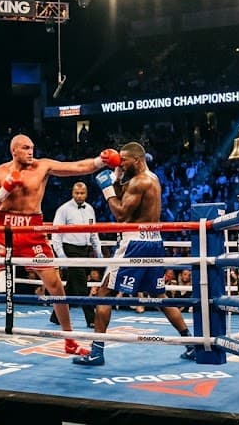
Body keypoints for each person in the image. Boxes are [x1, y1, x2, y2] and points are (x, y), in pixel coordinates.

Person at [0, 135, 119, 360]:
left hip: (32, 232)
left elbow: (74, 167)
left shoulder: (42, 166)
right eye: (25, 148)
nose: (30, 151)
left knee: (55, 285)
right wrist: (4, 190)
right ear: (14, 150)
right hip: (3, 231)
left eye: (32, 148)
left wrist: (100, 161)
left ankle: (70, 341)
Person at [74, 142, 196, 366]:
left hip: (134, 243)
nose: (120, 162)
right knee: (159, 297)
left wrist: (106, 189)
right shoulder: (151, 178)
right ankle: (191, 344)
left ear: (137, 160)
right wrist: (117, 178)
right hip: (154, 242)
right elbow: (127, 199)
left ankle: (97, 352)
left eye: (124, 160)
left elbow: (121, 214)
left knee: (104, 293)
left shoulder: (140, 181)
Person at [50, 182, 103, 328]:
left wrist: (99, 253)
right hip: (70, 250)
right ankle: (92, 319)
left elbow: (93, 233)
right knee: (81, 286)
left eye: (82, 193)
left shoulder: (90, 209)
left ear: (86, 193)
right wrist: (61, 255)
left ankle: (56, 316)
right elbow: (56, 233)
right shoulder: (64, 210)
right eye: (76, 193)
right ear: (72, 193)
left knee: (72, 287)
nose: (79, 196)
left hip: (84, 251)